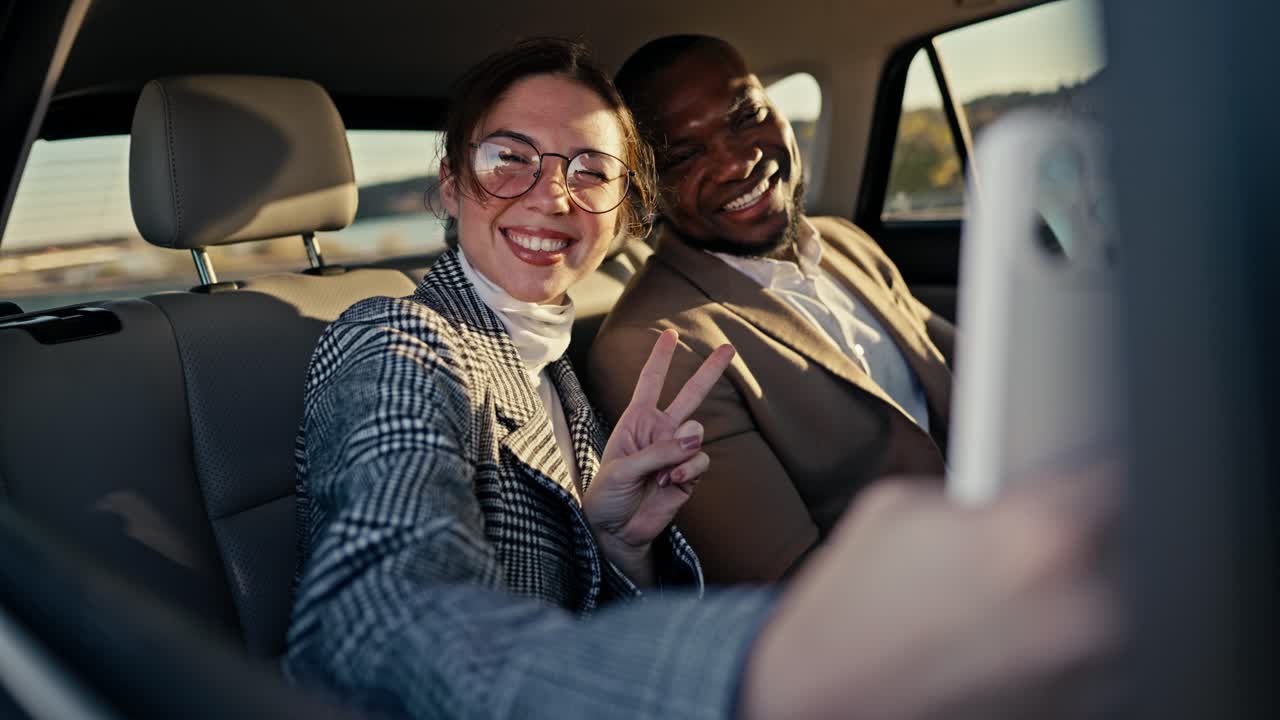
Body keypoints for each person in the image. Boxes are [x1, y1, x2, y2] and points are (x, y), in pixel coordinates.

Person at [287, 37, 1117, 720]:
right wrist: (775, 668)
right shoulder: (401, 341)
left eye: (590, 169)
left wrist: (614, 540)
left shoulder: (551, 371)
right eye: (511, 159)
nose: (553, 196)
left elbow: (576, 598)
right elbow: (378, 621)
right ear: (449, 183)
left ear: (622, 206)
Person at [589, 35, 956, 583]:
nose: (739, 162)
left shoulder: (844, 242)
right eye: (685, 155)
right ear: (648, 186)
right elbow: (787, 584)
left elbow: (973, 366)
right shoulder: (653, 346)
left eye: (747, 116)